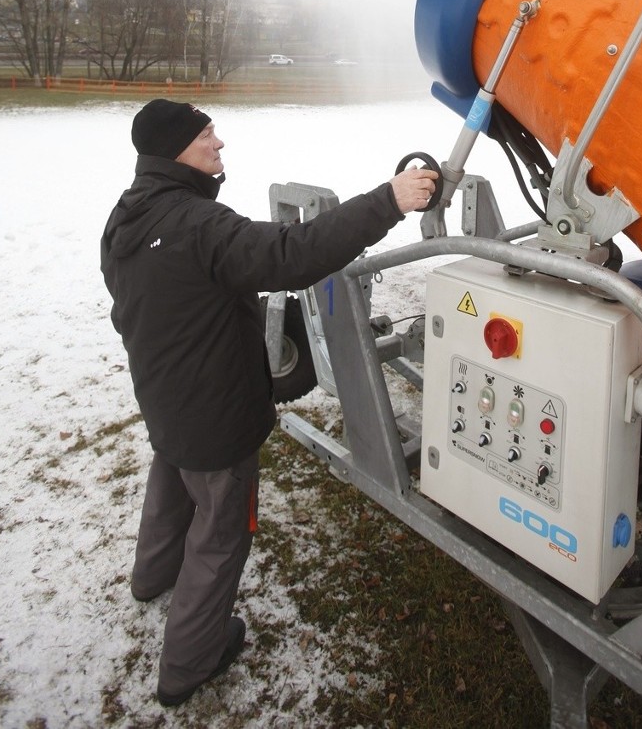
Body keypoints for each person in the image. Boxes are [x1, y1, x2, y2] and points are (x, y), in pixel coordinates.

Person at [101, 98, 437, 707]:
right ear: (177, 149)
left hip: (164, 393)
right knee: (221, 528)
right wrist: (389, 201)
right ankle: (189, 663)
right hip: (215, 409)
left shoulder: (128, 217)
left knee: (174, 478)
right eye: (208, 137)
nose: (219, 145)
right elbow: (292, 254)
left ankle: (152, 576)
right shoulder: (198, 225)